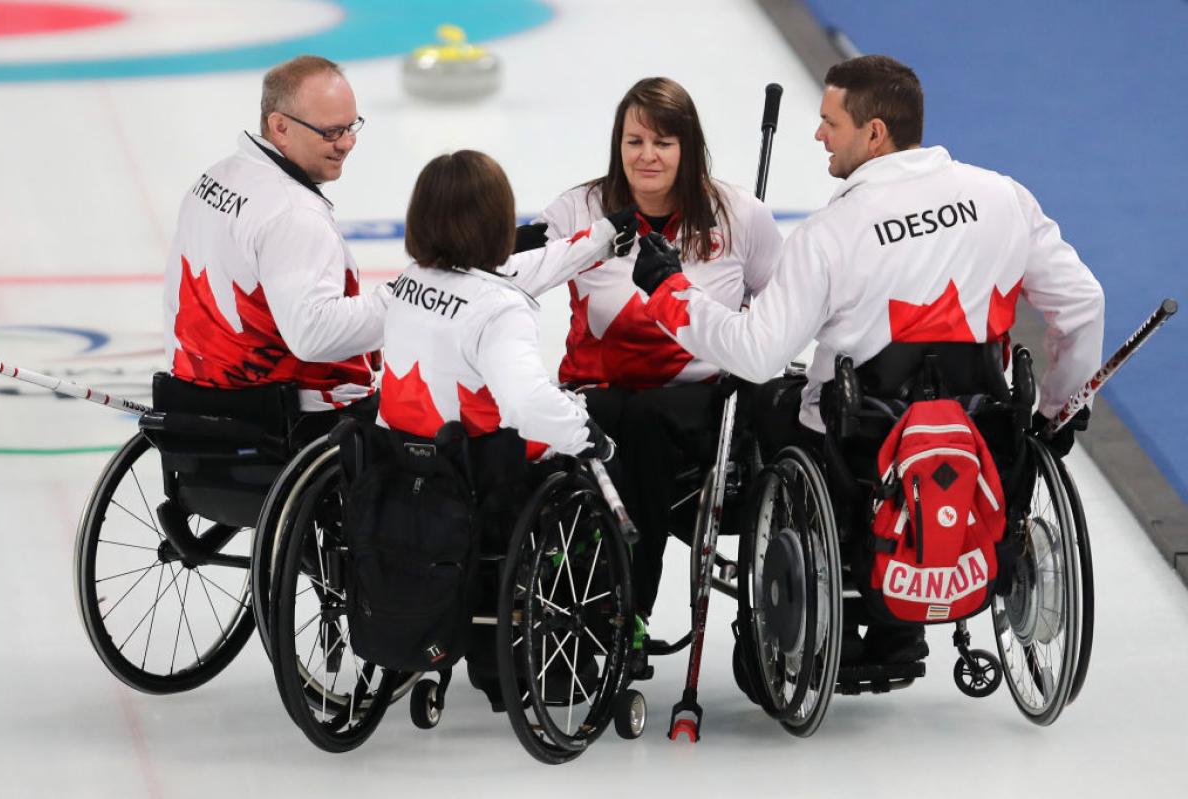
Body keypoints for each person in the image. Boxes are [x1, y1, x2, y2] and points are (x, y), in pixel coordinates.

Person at [632, 54, 1105, 664]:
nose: (818, 134)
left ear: (874, 132)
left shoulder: (831, 233)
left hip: (859, 448)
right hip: (981, 434)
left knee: (769, 401)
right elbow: (1083, 303)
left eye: (831, 121)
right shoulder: (1003, 199)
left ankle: (781, 630)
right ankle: (897, 629)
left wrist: (672, 295)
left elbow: (755, 351)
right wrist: (1063, 410)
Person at [511, 76, 784, 622]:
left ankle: (627, 607)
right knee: (581, 417)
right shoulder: (579, 209)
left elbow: (782, 303)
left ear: (688, 147)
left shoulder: (740, 215)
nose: (647, 156)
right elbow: (518, 268)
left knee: (642, 419)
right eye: (635, 142)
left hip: (696, 404)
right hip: (597, 393)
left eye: (663, 143)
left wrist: (755, 334)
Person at [379, 149, 629, 710]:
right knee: (591, 450)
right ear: (496, 223)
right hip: (481, 474)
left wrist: (603, 236)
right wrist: (587, 432)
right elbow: (527, 405)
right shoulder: (500, 309)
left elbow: (525, 269)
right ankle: (550, 654)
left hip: (404, 464)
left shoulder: (407, 283)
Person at [163, 55, 388, 438]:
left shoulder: (215, 177)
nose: (347, 144)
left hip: (200, 397)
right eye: (332, 132)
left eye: (352, 127)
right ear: (280, 127)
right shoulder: (293, 214)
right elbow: (314, 335)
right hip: (294, 418)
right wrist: (404, 303)